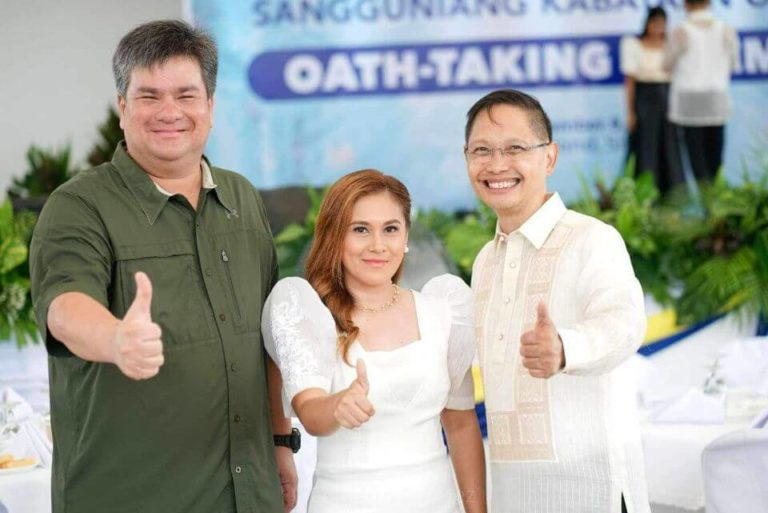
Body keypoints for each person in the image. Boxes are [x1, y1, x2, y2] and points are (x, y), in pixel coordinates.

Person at [30, 20, 296, 513]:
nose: (169, 112)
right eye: (149, 96)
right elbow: (65, 307)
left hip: (248, 492)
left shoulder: (242, 197)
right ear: (122, 107)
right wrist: (114, 339)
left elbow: (267, 338)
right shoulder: (78, 205)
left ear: (211, 107)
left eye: (186, 95)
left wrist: (281, 441)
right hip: (134, 496)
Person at [464, 89, 649, 513]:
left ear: (549, 157)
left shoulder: (592, 239)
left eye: (515, 149)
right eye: (482, 151)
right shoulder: (485, 261)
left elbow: (624, 323)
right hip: (514, 496)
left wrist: (565, 348)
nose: (496, 165)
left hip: (590, 491)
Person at [261, 170, 487, 513]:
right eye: (360, 229)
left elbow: (460, 424)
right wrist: (337, 404)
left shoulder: (442, 310)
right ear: (335, 236)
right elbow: (311, 414)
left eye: (391, 229)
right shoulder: (308, 312)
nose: (378, 245)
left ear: (407, 235)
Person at [664, 0, 739, 182]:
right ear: (709, 3)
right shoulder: (727, 30)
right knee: (715, 156)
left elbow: (667, 65)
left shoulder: (680, 32)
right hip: (716, 98)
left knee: (696, 158)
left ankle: (707, 203)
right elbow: (733, 66)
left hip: (689, 101)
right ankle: (715, 202)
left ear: (685, 4)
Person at [620, 6, 683, 193]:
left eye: (662, 24)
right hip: (645, 99)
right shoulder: (633, 44)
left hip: (667, 98)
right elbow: (630, 82)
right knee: (645, 145)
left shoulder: (671, 46)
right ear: (647, 23)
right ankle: (644, 192)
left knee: (669, 146)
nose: (658, 28)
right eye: (654, 23)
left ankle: (671, 194)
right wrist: (630, 112)